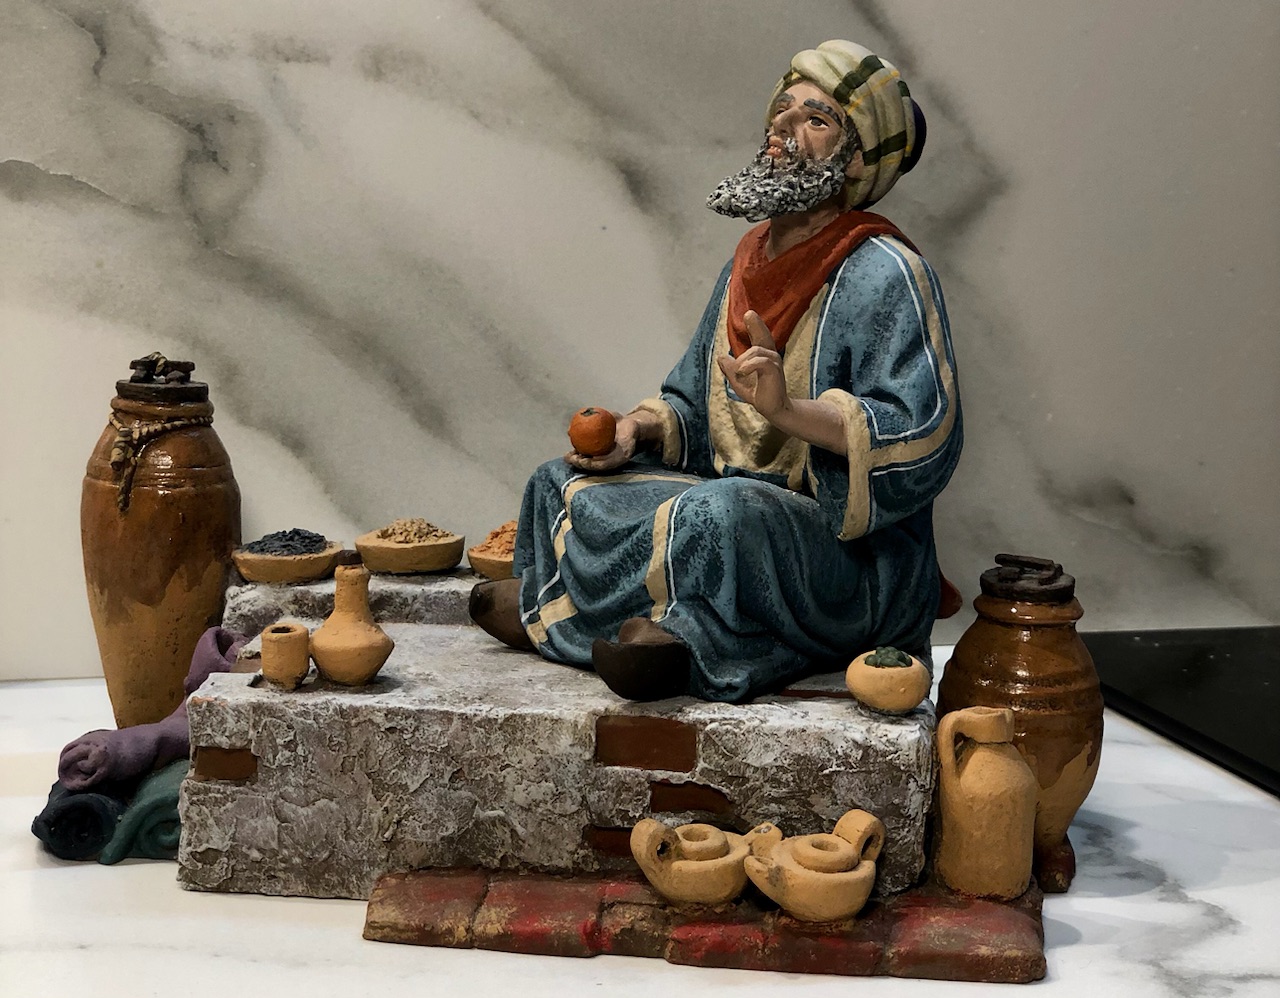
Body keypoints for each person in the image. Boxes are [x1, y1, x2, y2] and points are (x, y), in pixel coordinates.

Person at [470, 40, 962, 703]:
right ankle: (558, 606)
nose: (786, 127)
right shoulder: (746, 262)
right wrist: (637, 429)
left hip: (838, 550)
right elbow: (692, 404)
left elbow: (923, 433)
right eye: (783, 109)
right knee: (560, 481)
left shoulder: (887, 271)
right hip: (728, 502)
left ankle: (682, 640)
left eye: (817, 119)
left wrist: (788, 412)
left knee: (721, 513)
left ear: (855, 160)